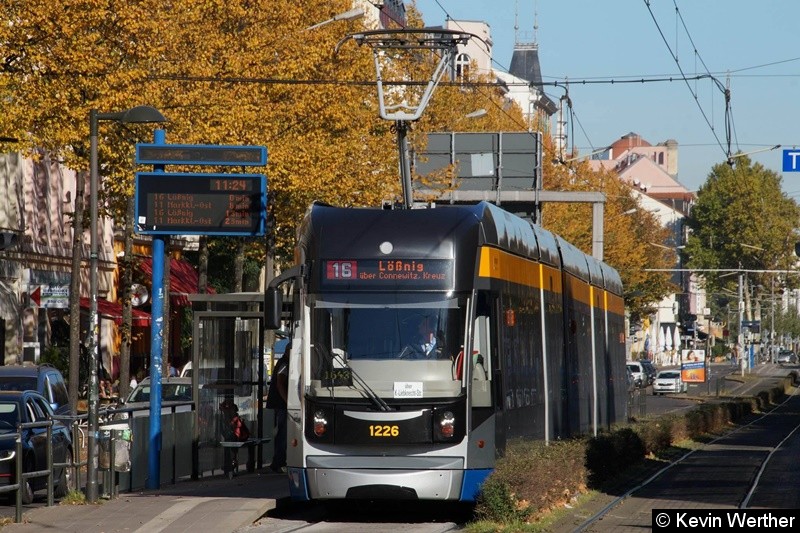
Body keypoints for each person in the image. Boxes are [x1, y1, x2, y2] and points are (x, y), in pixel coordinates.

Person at [265, 342, 290, 473]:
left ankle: (279, 460)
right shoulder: (284, 363)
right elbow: (280, 384)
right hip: (282, 404)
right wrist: (287, 402)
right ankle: (278, 461)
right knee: (283, 433)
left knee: (283, 432)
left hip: (281, 404)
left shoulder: (284, 362)